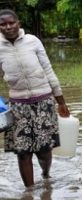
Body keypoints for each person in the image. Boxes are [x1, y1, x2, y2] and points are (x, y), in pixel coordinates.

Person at [0, 9, 70, 187]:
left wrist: (61, 101)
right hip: (17, 105)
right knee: (22, 152)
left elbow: (48, 70)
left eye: (11, 23)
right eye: (3, 24)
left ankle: (46, 173)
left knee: (44, 150)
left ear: (19, 23)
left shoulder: (33, 41)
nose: (8, 27)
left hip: (44, 102)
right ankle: (29, 194)